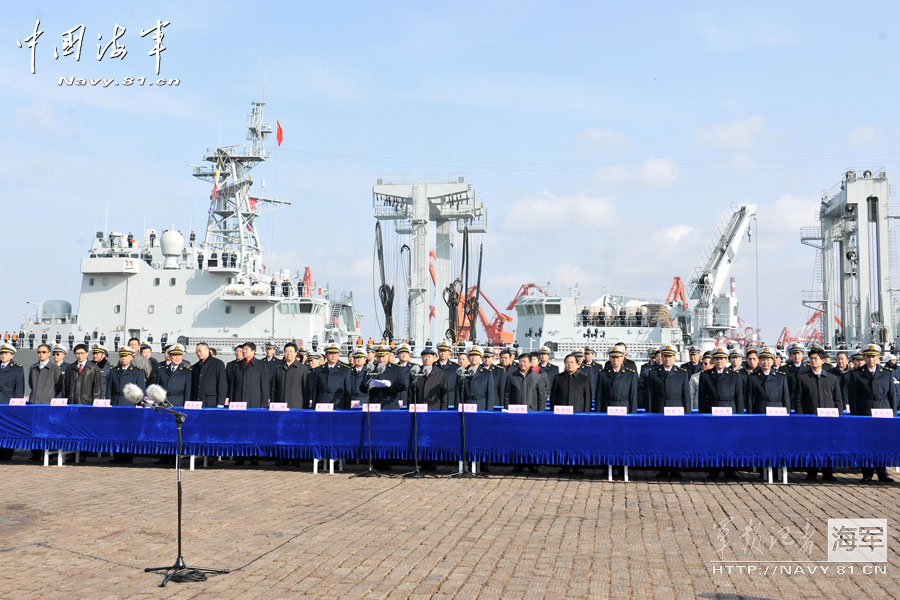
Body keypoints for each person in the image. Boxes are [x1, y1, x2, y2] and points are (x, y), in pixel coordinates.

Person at [846, 343, 896, 483]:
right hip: (865, 409)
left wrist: (892, 414)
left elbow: (892, 396)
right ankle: (867, 472)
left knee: (881, 442)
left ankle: (882, 471)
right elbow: (853, 397)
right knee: (866, 442)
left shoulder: (886, 373)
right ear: (864, 357)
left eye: (873, 357)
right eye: (868, 357)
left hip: (883, 409)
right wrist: (856, 417)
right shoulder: (856, 374)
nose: (871, 360)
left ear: (878, 358)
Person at [795, 346, 843, 482]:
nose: (813, 361)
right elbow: (797, 400)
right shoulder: (803, 378)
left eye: (815, 358)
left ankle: (828, 472)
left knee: (828, 445)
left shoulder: (832, 379)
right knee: (811, 445)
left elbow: (838, 400)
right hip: (811, 418)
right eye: (811, 358)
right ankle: (811, 472)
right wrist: (801, 417)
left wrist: (839, 417)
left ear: (823, 361)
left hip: (829, 419)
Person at [698, 347, 744, 479]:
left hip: (730, 409)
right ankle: (714, 470)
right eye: (717, 358)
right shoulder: (706, 375)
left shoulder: (735, 375)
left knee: (730, 441)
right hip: (712, 410)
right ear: (713, 360)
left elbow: (739, 397)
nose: (719, 361)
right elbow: (702, 398)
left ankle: (731, 470)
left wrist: (739, 416)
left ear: (726, 360)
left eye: (722, 359)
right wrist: (703, 415)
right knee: (713, 442)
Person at [645, 345, 691, 477]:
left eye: (670, 356)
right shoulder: (653, 373)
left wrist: (686, 415)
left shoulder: (681, 373)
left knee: (676, 440)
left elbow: (686, 396)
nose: (667, 359)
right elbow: (649, 396)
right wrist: (649, 413)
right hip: (659, 410)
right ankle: (663, 468)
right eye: (665, 356)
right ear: (661, 357)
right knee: (661, 440)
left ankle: (676, 468)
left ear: (674, 358)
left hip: (676, 409)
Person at [360, 343, 407, 409]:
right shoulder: (371, 369)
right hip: (374, 405)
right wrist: (368, 385)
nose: (381, 359)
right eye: (379, 356)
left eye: (383, 356)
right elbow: (362, 387)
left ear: (388, 355)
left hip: (390, 405)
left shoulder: (396, 368)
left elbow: (402, 386)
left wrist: (391, 385)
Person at [0, 343, 25, 460]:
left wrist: (17, 404)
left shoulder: (17, 368)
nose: (3, 355)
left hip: (7, 403)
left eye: (6, 353)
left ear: (11, 355)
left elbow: (19, 388)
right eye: (2, 353)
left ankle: (6, 452)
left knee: (7, 429)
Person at [309, 343, 352, 409]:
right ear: (326, 355)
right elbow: (315, 391)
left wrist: (347, 409)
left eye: (335, 353)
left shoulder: (345, 370)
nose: (333, 356)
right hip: (321, 405)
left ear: (338, 355)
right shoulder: (318, 370)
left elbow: (348, 392)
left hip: (338, 406)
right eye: (331, 353)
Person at [596, 346, 638, 413]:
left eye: (617, 357)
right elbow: (599, 397)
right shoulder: (603, 374)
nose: (615, 360)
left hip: (624, 408)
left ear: (622, 358)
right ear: (610, 358)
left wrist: (632, 415)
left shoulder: (630, 375)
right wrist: (598, 413)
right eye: (613, 357)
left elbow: (633, 397)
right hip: (607, 408)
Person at [230, 342, 272, 409]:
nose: (244, 351)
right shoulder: (237, 365)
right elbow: (233, 385)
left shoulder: (261, 365)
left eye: (246, 349)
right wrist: (231, 401)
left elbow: (265, 387)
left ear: (253, 351)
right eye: (243, 349)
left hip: (254, 402)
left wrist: (264, 404)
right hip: (238, 401)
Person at [749, 348, 791, 413]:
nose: (765, 362)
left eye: (768, 360)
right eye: (763, 360)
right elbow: (750, 400)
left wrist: (787, 414)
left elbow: (786, 399)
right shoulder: (753, 377)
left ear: (772, 361)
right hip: (760, 411)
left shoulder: (781, 377)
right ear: (759, 361)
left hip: (777, 411)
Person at [270, 342, 310, 409]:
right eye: (286, 351)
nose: (288, 353)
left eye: (291, 351)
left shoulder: (303, 369)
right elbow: (273, 389)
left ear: (295, 353)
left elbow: (306, 391)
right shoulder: (278, 369)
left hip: (296, 405)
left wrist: (305, 407)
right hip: (280, 405)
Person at [408, 346, 448, 410]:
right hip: (418, 408)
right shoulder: (416, 372)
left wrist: (443, 411)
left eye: (429, 357)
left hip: (434, 408)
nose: (426, 359)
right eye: (424, 357)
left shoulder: (440, 373)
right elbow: (410, 394)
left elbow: (444, 394)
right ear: (421, 358)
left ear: (434, 358)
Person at [458, 346, 496, 411]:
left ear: (480, 358)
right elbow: (458, 394)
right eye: (472, 355)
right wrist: (457, 409)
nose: (474, 357)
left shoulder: (487, 374)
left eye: (476, 355)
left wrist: (489, 411)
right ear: (468, 358)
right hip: (466, 406)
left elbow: (490, 395)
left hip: (481, 406)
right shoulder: (462, 372)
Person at [191, 343, 228, 407]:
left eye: (200, 351)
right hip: (197, 402)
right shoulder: (195, 366)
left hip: (211, 402)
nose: (198, 353)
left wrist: (221, 403)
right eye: (196, 352)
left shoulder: (218, 364)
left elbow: (222, 384)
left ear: (207, 350)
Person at [779, 342, 808, 411]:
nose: (796, 356)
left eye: (798, 353)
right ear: (789, 355)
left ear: (802, 354)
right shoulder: (784, 369)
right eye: (794, 354)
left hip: (805, 402)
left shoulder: (808, 369)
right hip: (790, 402)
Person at [435, 340, 459, 408]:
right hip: (436, 401)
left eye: (445, 351)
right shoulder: (433, 366)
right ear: (438, 352)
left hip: (451, 401)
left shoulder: (456, 368)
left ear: (449, 352)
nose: (443, 353)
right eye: (441, 351)